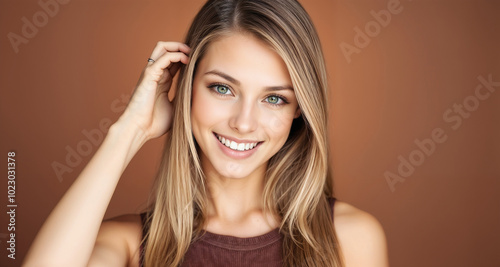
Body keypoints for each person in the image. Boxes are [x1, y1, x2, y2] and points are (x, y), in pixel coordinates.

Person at [23, 0, 389, 266]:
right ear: (187, 88)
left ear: (299, 110)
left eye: (274, 98)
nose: (244, 123)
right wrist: (128, 132)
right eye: (223, 88)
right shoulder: (129, 245)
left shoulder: (348, 239)